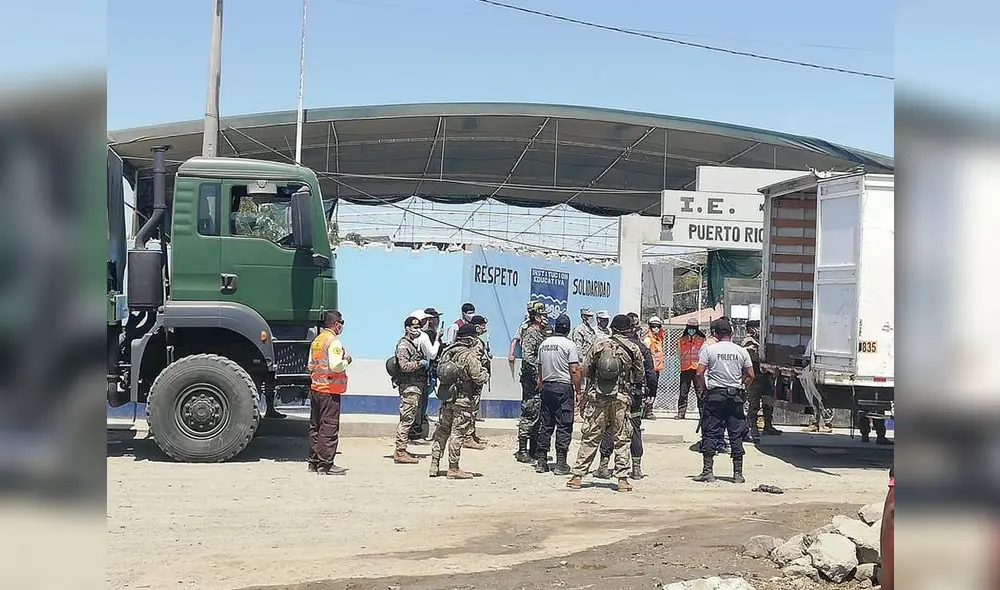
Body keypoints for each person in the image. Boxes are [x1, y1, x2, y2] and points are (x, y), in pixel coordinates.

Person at [566, 314, 645, 493]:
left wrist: (588, 391)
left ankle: (577, 476)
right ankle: (622, 479)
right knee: (622, 438)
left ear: (613, 328)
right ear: (629, 329)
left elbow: (585, 369)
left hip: (597, 398)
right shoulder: (633, 348)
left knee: (591, 436)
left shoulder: (599, 345)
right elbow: (639, 375)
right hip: (621, 398)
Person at [593, 313, 655, 480]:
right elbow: (649, 373)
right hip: (633, 394)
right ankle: (636, 469)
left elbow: (590, 368)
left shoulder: (605, 345)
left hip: (609, 393)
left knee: (609, 427)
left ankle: (603, 466)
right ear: (632, 328)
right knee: (634, 428)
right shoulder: (640, 348)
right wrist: (651, 393)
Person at [693, 317, 753, 483]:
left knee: (711, 431)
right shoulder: (741, 351)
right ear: (731, 333)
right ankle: (738, 474)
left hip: (715, 395)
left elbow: (699, 373)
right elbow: (750, 375)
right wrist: (741, 386)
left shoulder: (709, 350)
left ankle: (708, 471)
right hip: (735, 396)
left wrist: (704, 388)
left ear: (715, 334)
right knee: (736, 433)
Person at [428, 323, 490, 479]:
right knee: (457, 433)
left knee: (442, 431)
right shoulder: (468, 355)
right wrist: (486, 372)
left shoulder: (447, 352)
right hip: (462, 400)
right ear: (470, 339)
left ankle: (434, 464)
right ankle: (453, 468)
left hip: (447, 397)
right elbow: (478, 377)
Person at [534, 314, 582, 475]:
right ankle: (561, 463)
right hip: (563, 387)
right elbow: (574, 370)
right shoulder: (569, 345)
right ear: (568, 328)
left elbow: (539, 369)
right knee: (564, 424)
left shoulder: (544, 344)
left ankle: (541, 461)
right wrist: (578, 391)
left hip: (547, 386)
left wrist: (541, 384)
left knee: (546, 424)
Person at [306, 310, 351, 475]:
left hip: (316, 388)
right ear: (336, 324)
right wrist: (347, 360)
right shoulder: (334, 342)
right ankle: (326, 465)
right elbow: (336, 366)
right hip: (330, 390)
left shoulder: (317, 341)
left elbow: (310, 365)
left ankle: (313, 462)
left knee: (315, 426)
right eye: (342, 323)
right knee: (329, 427)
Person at [393, 315, 429, 464]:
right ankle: (400, 451)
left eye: (419, 327)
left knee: (410, 418)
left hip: (415, 387)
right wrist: (420, 364)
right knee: (406, 419)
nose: (417, 330)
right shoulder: (403, 345)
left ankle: (403, 449)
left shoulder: (412, 344)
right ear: (407, 328)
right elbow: (404, 366)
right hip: (409, 387)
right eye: (414, 327)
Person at [514, 301, 547, 463]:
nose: (545, 318)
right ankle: (522, 450)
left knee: (538, 413)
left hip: (540, 378)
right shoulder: (530, 333)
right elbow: (528, 356)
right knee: (529, 411)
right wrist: (538, 372)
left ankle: (534, 449)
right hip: (531, 378)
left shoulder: (541, 333)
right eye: (543, 315)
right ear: (537, 317)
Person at [742, 319, 782, 441]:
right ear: (750, 330)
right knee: (754, 405)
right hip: (754, 378)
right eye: (755, 328)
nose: (758, 330)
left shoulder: (761, 341)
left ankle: (768, 426)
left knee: (768, 403)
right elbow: (752, 358)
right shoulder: (748, 342)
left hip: (766, 377)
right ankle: (752, 427)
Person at [408, 309, 442, 443]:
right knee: (420, 404)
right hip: (421, 375)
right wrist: (438, 339)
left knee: (413, 405)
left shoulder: (409, 337)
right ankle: (415, 434)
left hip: (411, 376)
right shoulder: (424, 336)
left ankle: (412, 434)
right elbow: (432, 354)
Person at [465, 314, 491, 448]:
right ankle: (468, 436)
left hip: (477, 378)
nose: (484, 328)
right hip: (473, 379)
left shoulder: (478, 341)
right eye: (482, 325)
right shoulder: (474, 342)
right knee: (471, 408)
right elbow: (474, 360)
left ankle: (472, 433)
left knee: (474, 407)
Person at [800, 338, 834, 433]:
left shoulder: (824, 340)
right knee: (813, 397)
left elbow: (805, 358)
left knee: (821, 397)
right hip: (814, 370)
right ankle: (815, 422)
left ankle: (827, 423)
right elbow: (806, 357)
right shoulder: (814, 339)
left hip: (823, 371)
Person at [676, 318, 706, 420]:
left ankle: (702, 413)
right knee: (683, 392)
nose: (691, 330)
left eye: (694, 328)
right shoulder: (682, 340)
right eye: (690, 328)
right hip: (685, 369)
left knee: (700, 392)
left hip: (698, 369)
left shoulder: (702, 340)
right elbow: (679, 354)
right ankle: (681, 413)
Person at [641, 316, 666, 420]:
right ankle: (647, 411)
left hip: (656, 369)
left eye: (658, 326)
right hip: (649, 369)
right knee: (648, 390)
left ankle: (649, 410)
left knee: (653, 390)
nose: (656, 329)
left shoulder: (659, 339)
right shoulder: (647, 339)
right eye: (653, 326)